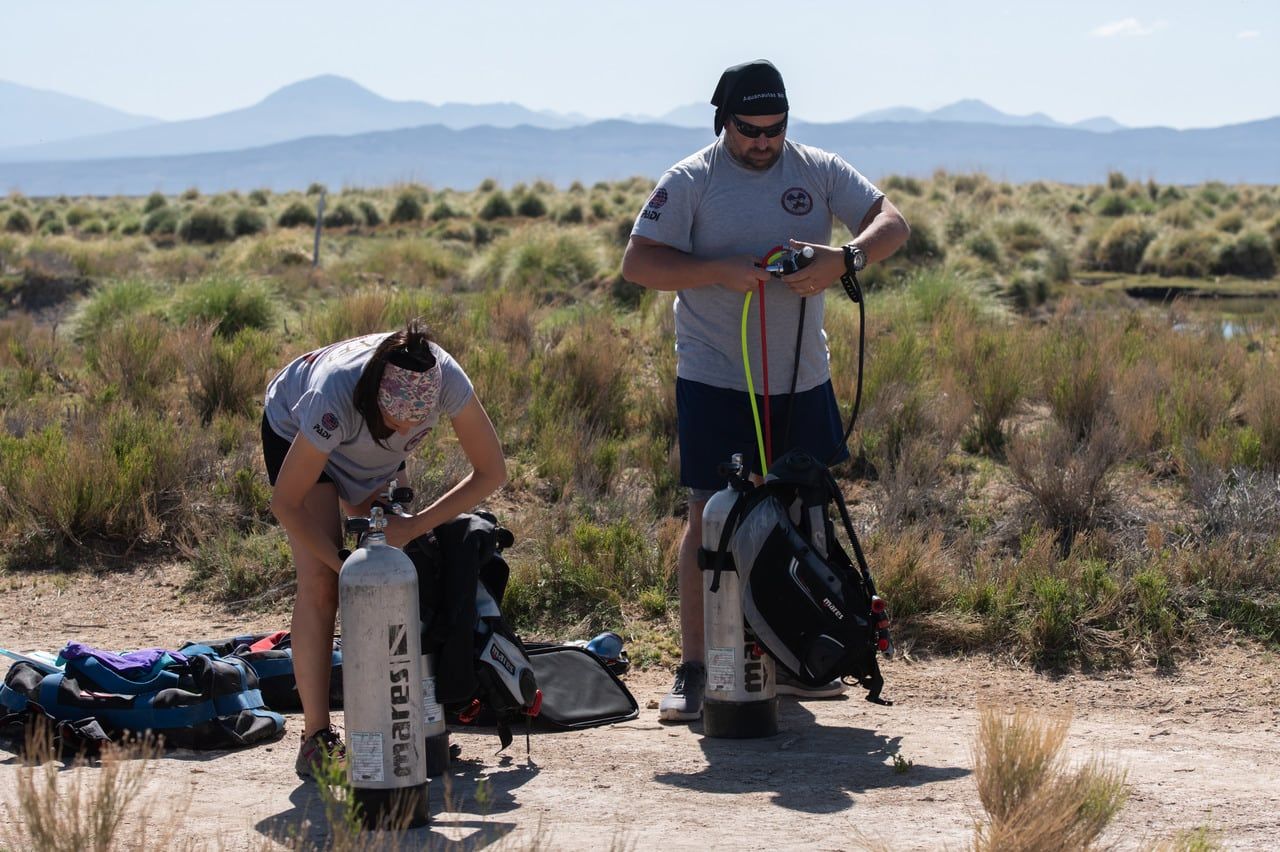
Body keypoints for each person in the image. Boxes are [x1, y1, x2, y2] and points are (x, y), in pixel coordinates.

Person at [621, 59, 910, 722]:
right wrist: (715, 271)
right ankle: (696, 668)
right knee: (710, 518)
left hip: (804, 378)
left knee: (804, 515)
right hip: (717, 378)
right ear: (723, 122)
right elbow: (638, 261)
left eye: (775, 128)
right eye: (750, 129)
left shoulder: (817, 168)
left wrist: (846, 260)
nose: (764, 140)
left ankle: (798, 660)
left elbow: (892, 221)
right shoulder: (692, 179)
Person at [261, 318, 507, 777]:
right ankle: (315, 738)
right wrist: (342, 566)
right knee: (321, 584)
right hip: (298, 430)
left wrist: (413, 528)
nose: (404, 431)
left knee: (410, 568)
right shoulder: (332, 396)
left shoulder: (446, 378)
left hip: (368, 453)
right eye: (395, 422)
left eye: (417, 426)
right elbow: (286, 504)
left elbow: (492, 472)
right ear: (376, 398)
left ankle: (409, 722)